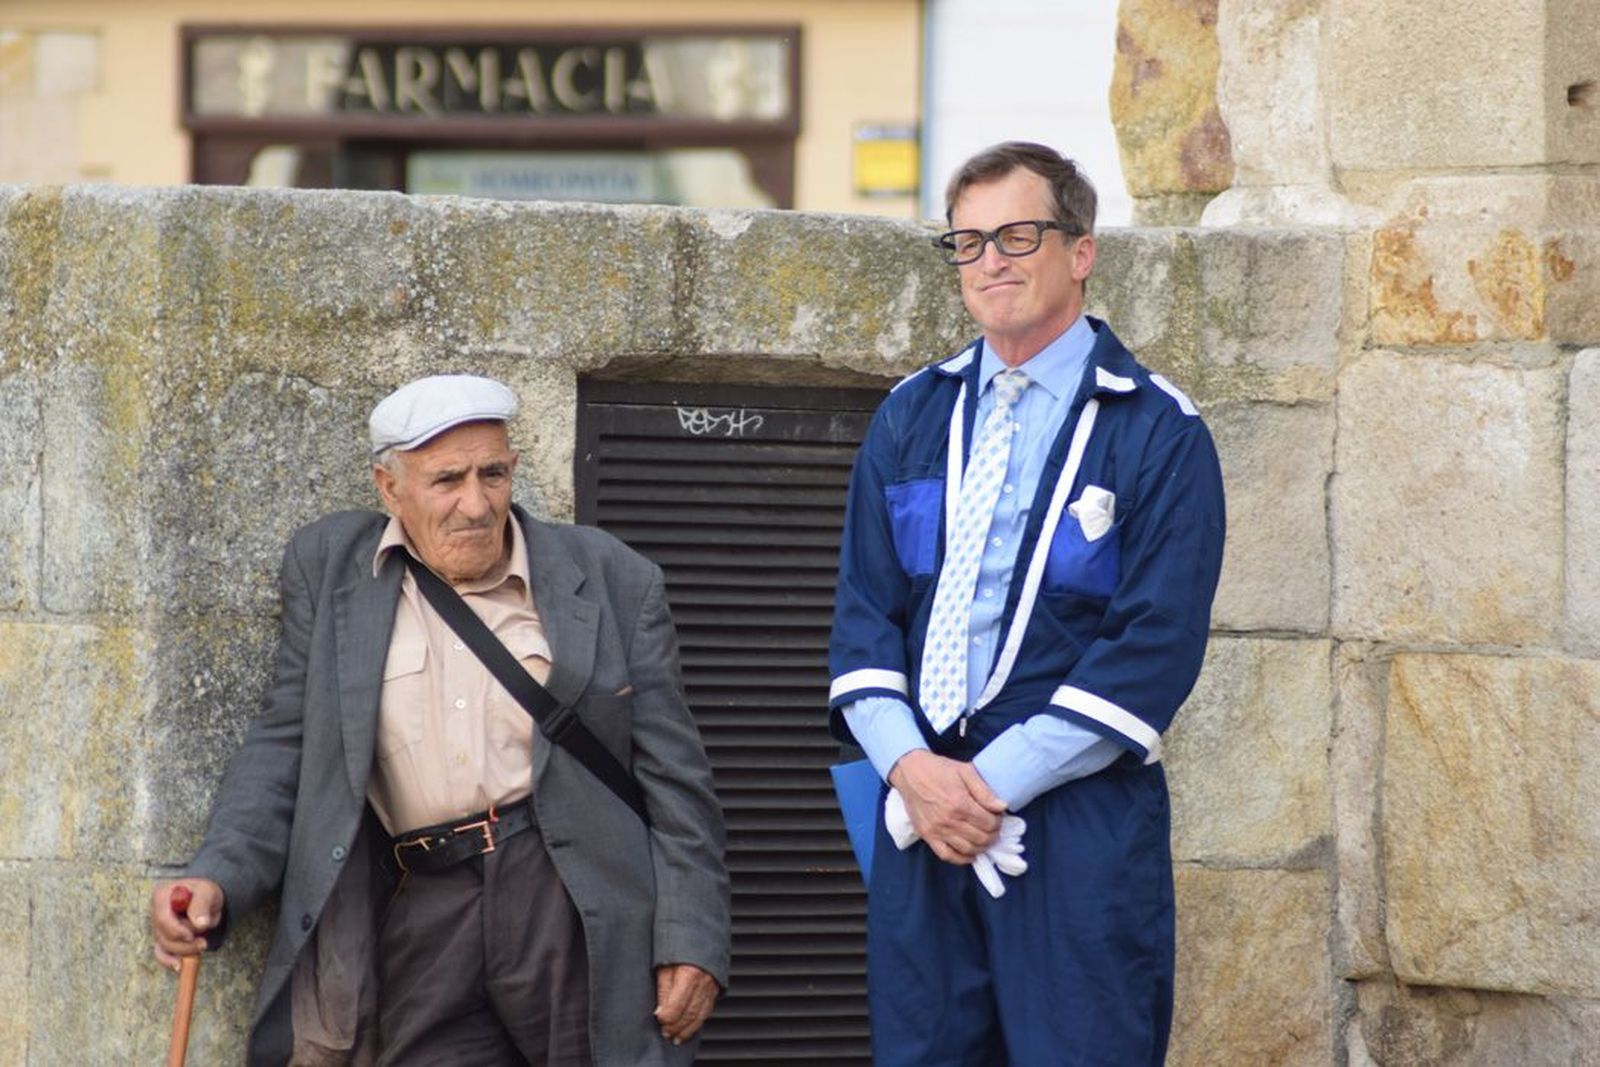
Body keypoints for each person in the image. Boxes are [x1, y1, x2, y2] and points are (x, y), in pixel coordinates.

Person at [149, 374, 729, 1066]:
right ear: (389, 488)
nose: (476, 505)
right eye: (447, 480)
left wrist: (691, 934)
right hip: (424, 898)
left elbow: (676, 779)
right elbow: (286, 748)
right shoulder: (330, 570)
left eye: (493, 474)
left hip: (565, 891)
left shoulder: (612, 576)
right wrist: (217, 875)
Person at [828, 142, 1226, 1065]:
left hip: (1074, 822)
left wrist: (987, 786)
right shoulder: (910, 414)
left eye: (1016, 235)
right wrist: (915, 774)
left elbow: (1152, 646)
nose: (990, 261)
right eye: (968, 242)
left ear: (1081, 252)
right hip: (923, 815)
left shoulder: (1159, 429)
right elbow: (863, 618)